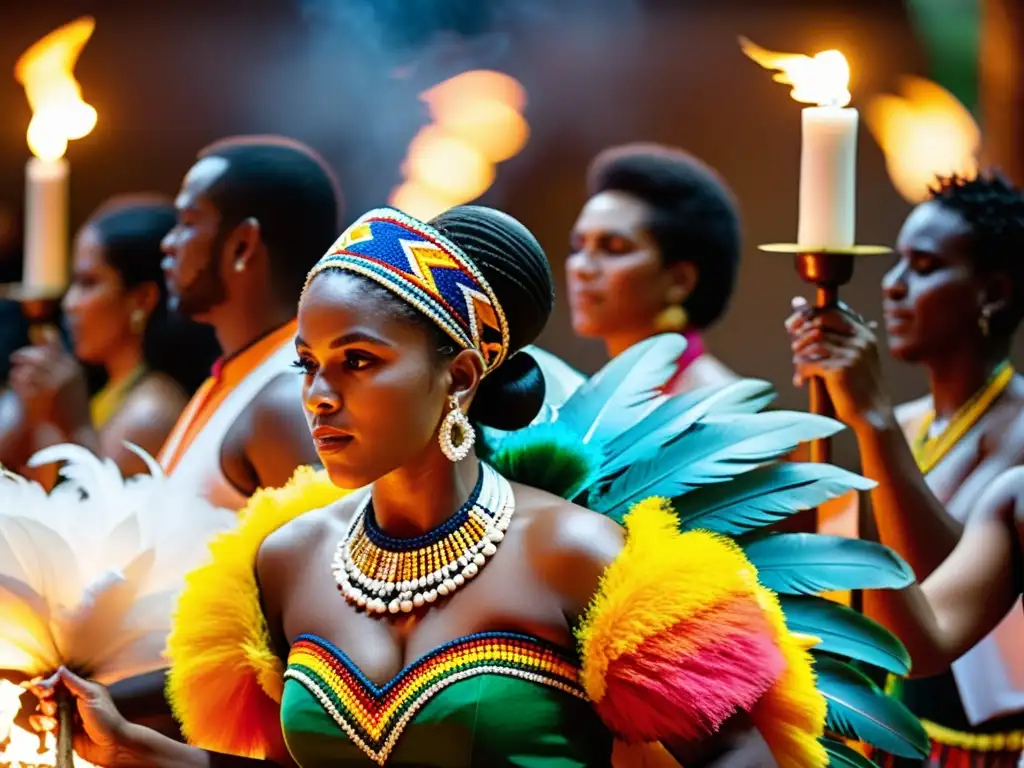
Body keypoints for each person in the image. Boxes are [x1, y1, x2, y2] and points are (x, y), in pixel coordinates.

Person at [33, 205, 921, 768]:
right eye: (307, 364)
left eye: (359, 361)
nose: (318, 394)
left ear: (457, 376)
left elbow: (741, 755)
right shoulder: (282, 562)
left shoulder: (579, 558)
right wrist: (148, 754)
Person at [786, 172, 1024, 767]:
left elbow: (932, 602)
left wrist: (872, 422)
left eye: (923, 267)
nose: (891, 287)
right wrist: (820, 420)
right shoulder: (911, 423)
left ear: (992, 292)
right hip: (891, 729)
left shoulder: (1018, 433)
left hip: (984, 745)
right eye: (895, 265)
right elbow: (838, 567)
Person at [155, 135, 341, 509]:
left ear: (243, 245)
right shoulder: (238, 373)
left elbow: (326, 563)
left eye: (188, 222)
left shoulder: (288, 398)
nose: (169, 243)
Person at [4, 197, 220, 478]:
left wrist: (76, 424)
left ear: (141, 299)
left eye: (88, 283)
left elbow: (92, 516)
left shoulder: (150, 411)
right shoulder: (104, 389)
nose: (70, 303)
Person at [567, 143, 741, 393]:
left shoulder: (718, 411)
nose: (581, 267)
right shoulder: (605, 392)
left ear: (679, 281)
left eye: (614, 248)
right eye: (579, 246)